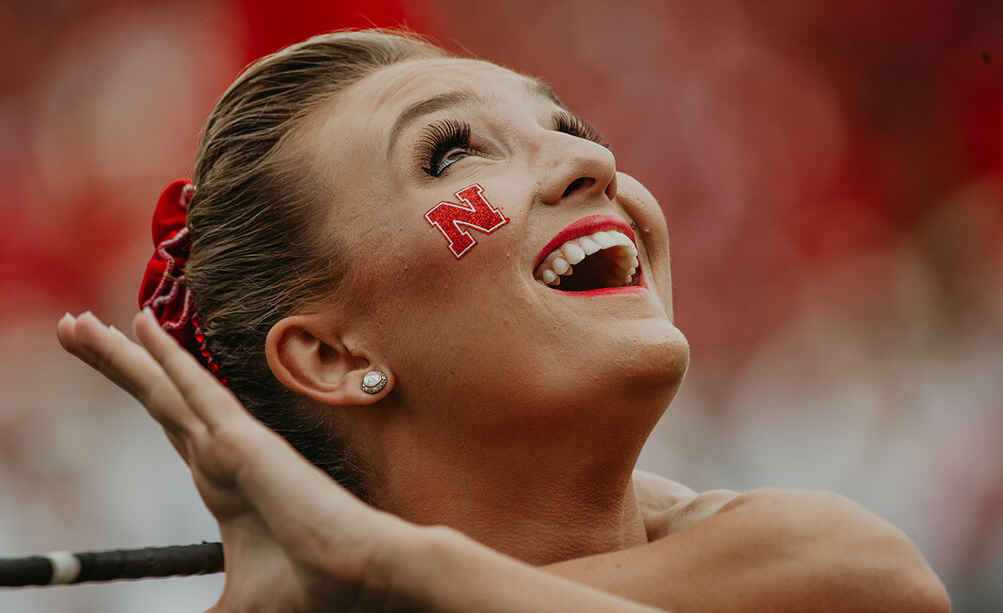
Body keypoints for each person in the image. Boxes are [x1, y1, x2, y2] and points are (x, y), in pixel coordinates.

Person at [56, 29, 949, 612]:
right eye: (451, 152)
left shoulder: (821, 567)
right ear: (330, 352)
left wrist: (368, 563)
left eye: (566, 123)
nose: (591, 158)